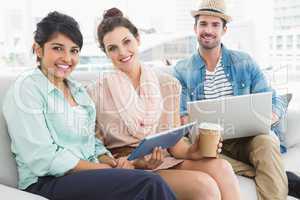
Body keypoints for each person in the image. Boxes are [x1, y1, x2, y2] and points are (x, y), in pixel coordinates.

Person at [2, 11, 177, 200]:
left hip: (87, 175)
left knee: (145, 178)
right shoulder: (26, 89)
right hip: (47, 182)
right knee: (150, 183)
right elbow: (44, 158)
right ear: (38, 49)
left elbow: (92, 144)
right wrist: (102, 169)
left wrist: (112, 162)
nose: (67, 58)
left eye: (73, 50)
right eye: (58, 48)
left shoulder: (78, 91)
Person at [88, 7, 240, 200]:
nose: (122, 52)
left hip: (164, 158)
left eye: (127, 42)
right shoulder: (95, 93)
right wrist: (130, 162)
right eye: (112, 48)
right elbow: (93, 147)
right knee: (204, 186)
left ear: (138, 40)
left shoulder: (168, 85)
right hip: (129, 166)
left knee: (223, 167)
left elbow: (176, 146)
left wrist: (196, 149)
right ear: (106, 53)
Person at [172, 0, 290, 199]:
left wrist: (268, 117)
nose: (208, 30)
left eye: (215, 25)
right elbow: (182, 116)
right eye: (203, 24)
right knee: (207, 156)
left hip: (246, 139)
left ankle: (264, 171)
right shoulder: (182, 70)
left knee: (267, 141)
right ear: (195, 28)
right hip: (208, 143)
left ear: (224, 30)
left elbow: (275, 100)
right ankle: (260, 169)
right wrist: (186, 120)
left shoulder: (244, 62)